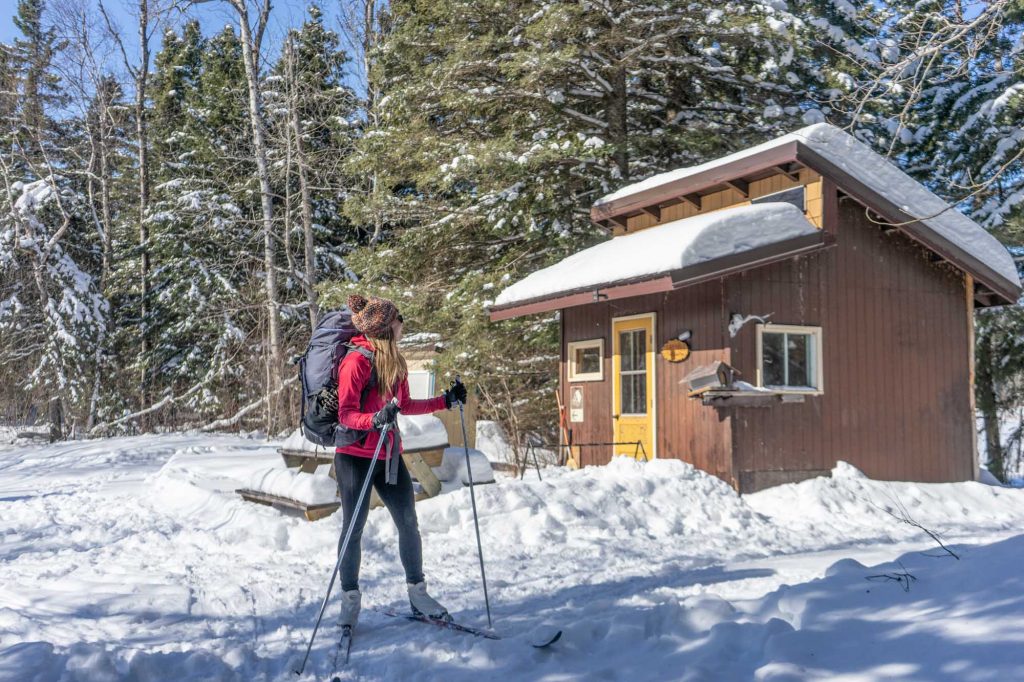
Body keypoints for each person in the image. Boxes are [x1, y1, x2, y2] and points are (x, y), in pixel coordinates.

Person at [334, 294, 468, 630]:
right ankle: (349, 600)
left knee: (408, 522)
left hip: (388, 456)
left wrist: (445, 401)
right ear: (385, 327)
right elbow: (346, 414)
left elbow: (404, 405)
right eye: (398, 319)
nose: (402, 323)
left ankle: (418, 593)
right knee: (354, 528)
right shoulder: (356, 362)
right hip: (355, 458)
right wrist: (375, 419)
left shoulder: (396, 361)